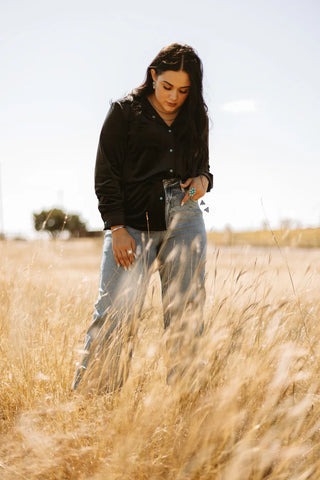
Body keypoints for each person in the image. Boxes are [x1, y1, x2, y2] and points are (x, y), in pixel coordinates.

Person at [72, 43, 213, 392]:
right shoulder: (124, 112)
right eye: (167, 87)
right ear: (153, 76)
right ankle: (93, 404)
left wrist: (203, 182)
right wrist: (116, 228)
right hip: (132, 221)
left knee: (187, 313)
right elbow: (106, 174)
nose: (173, 97)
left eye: (183, 90)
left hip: (185, 218)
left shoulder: (196, 117)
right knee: (115, 315)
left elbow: (205, 170)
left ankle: (187, 401)